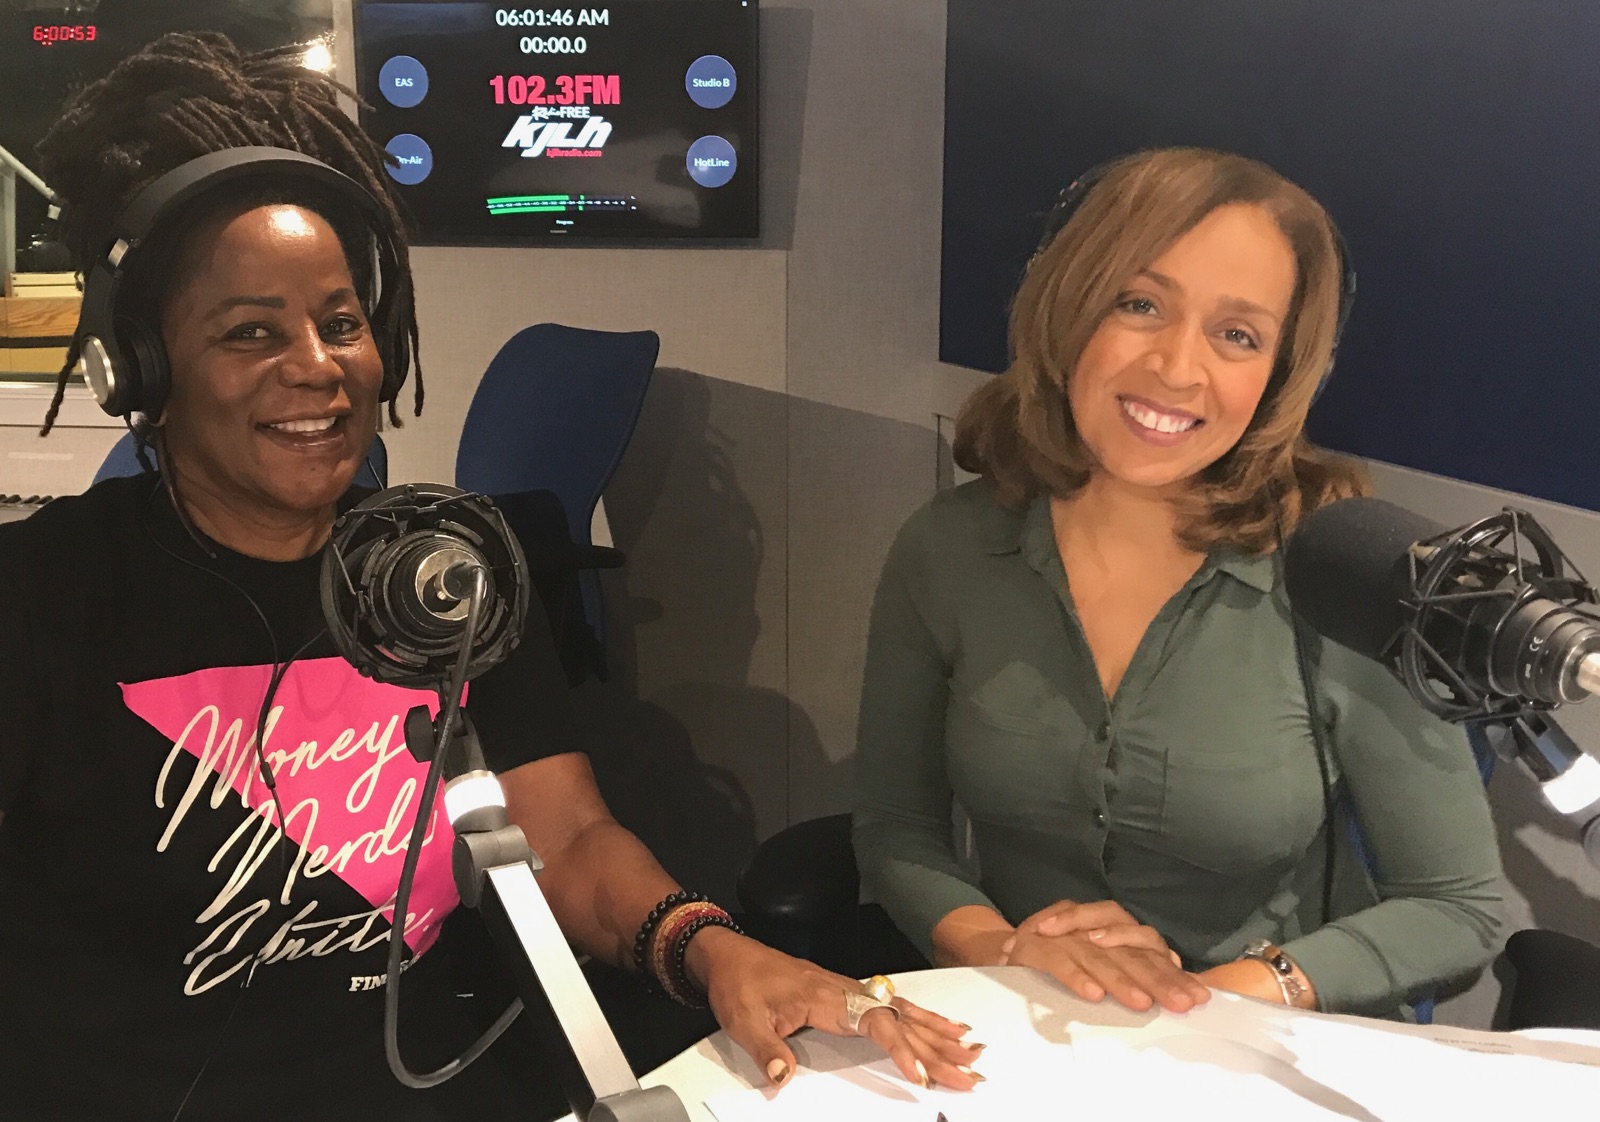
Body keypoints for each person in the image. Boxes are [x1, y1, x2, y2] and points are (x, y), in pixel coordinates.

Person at [0, 33, 980, 1121]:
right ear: (142, 367)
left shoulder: (443, 573)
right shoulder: (39, 600)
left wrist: (714, 950)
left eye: (340, 323)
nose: (316, 367)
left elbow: (566, 842)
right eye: (249, 333)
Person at [852, 147, 1507, 1020]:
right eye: (1140, 304)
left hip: (1258, 1040)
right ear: (1068, 307)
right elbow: (897, 828)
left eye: (1237, 335)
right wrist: (1001, 949)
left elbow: (1458, 909)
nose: (1176, 368)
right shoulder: (948, 549)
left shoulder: (1345, 578)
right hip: (1031, 1028)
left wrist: (1200, 999)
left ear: (1279, 374)